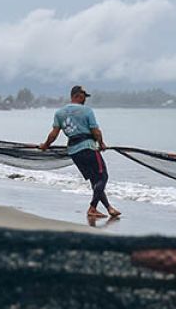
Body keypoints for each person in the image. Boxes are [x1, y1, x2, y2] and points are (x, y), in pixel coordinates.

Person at [38, 85, 121, 220]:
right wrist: (101, 143)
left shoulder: (59, 113)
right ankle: (92, 208)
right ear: (77, 96)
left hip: (74, 152)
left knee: (95, 181)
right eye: (83, 96)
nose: (85, 100)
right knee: (103, 177)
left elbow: (53, 134)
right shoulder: (87, 111)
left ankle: (108, 208)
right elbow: (95, 131)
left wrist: (45, 145)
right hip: (88, 147)